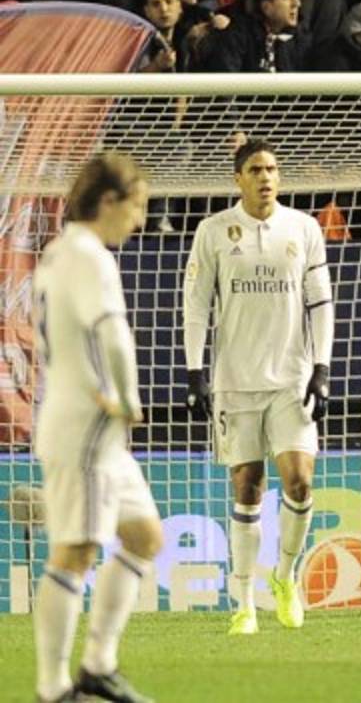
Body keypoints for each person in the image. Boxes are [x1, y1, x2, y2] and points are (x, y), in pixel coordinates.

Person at [182, 139, 333, 635]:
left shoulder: (304, 228)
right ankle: (244, 602)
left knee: (300, 482)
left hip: (292, 379)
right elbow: (197, 303)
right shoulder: (213, 232)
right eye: (255, 169)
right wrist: (194, 371)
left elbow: (320, 302)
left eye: (272, 169)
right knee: (248, 489)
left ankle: (285, 578)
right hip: (235, 382)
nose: (266, 177)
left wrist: (323, 368)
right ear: (238, 179)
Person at [32, 153, 161, 703]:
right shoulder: (88, 257)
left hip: (93, 432)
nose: (138, 223)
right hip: (87, 427)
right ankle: (53, 688)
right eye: (136, 209)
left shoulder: (58, 253)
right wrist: (129, 399)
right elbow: (113, 335)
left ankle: (98, 667)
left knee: (143, 537)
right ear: (108, 201)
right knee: (75, 552)